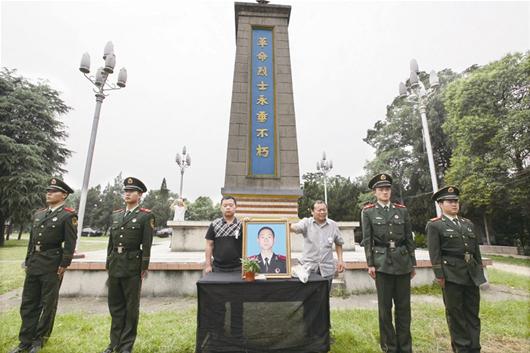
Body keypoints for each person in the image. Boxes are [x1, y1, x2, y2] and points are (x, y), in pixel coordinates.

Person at [9, 178, 77, 353]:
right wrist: (27, 260)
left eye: (53, 191)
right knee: (28, 303)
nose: (48, 193)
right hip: (35, 262)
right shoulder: (39, 214)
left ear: (64, 195)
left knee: (47, 304)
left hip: (52, 264)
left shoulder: (68, 215)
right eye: (48, 190)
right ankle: (24, 341)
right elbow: (32, 240)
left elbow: (70, 242)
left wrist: (64, 264)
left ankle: (39, 341)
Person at [426, 186, 486, 353]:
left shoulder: (468, 224)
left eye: (456, 201)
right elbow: (434, 253)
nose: (454, 204)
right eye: (450, 201)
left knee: (473, 314)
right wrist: (439, 275)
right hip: (451, 275)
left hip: (471, 275)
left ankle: (474, 347)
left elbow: (476, 251)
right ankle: (461, 348)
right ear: (440, 204)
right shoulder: (435, 225)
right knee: (456, 315)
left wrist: (479, 271)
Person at [361, 173, 416, 353]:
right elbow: (367, 240)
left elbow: (409, 238)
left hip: (402, 262)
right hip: (381, 262)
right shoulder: (368, 212)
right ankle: (389, 347)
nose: (385, 192)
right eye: (381, 189)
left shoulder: (402, 210)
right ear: (375, 192)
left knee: (404, 308)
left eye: (387, 189)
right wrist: (370, 263)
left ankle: (405, 347)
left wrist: (412, 263)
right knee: (385, 309)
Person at [102, 177, 154, 353]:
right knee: (115, 306)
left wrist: (143, 267)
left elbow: (146, 244)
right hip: (116, 264)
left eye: (131, 191)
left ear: (139, 195)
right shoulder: (116, 215)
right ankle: (113, 343)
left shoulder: (146, 216)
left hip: (132, 265)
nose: (127, 194)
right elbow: (111, 241)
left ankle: (126, 346)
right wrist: (108, 261)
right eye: (125, 191)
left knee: (131, 307)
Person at [290, 200, 345, 289]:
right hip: (309, 269)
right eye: (319, 210)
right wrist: (285, 222)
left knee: (325, 298)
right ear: (312, 212)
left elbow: (339, 243)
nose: (322, 212)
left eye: (324, 210)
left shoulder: (333, 225)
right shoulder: (306, 223)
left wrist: (340, 260)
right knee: (310, 298)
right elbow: (294, 228)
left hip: (327, 270)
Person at [204, 196, 242, 273]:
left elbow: (247, 245)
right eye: (225, 206)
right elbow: (209, 245)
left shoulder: (241, 224)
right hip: (218, 267)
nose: (228, 207)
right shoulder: (214, 224)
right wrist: (208, 265)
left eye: (231, 205)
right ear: (221, 208)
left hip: (238, 267)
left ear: (235, 207)